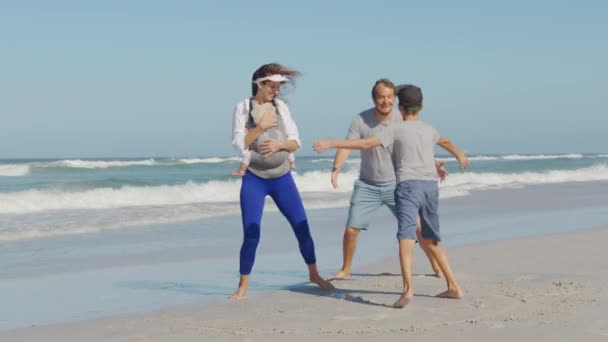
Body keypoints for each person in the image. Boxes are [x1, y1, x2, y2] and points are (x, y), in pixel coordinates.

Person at [313, 84, 468, 308]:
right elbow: (440, 142)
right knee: (431, 238)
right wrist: (458, 154)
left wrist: (331, 143)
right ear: (422, 106)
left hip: (406, 187)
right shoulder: (428, 128)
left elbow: (366, 143)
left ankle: (408, 290)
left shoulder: (396, 128)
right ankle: (453, 286)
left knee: (406, 237)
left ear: (400, 106)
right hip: (429, 187)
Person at [230, 63, 334, 299]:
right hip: (254, 178)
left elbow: (296, 141)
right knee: (251, 232)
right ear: (260, 84)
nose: (275, 91)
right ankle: (243, 285)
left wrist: (280, 145)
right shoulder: (242, 107)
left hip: (282, 177)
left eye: (278, 87)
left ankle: (314, 275)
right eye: (272, 86)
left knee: (301, 226)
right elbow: (240, 143)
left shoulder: (281, 107)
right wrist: (261, 127)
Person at [328, 79, 445, 281]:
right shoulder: (361, 120)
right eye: (381, 97)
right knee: (351, 229)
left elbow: (418, 146)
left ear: (395, 99)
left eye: (390, 97)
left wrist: (434, 165)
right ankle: (346, 269)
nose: (386, 101)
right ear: (374, 98)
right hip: (367, 184)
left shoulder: (403, 119)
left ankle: (436, 266)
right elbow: (348, 145)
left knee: (418, 229)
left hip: (397, 185)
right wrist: (337, 167)